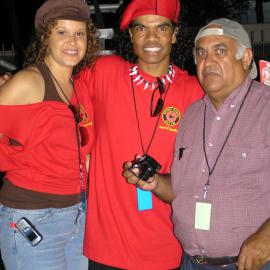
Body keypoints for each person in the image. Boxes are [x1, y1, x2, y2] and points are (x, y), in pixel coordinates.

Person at [123, 18, 270, 270]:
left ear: (246, 58)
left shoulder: (266, 109)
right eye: (201, 53)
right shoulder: (190, 115)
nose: (208, 61)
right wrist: (155, 182)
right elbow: (180, 189)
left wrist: (267, 237)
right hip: (191, 262)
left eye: (220, 51)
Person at [77, 0, 203, 269]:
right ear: (131, 35)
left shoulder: (195, 90)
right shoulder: (103, 72)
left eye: (161, 28)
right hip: (107, 246)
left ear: (175, 33)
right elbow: (59, 92)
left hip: (166, 245)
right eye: (141, 29)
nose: (152, 38)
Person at [0, 0, 98, 269]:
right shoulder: (30, 81)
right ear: (46, 38)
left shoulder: (78, 86)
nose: (73, 41)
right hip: (34, 215)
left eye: (80, 33)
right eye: (62, 32)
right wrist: (14, 157)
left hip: (77, 215)